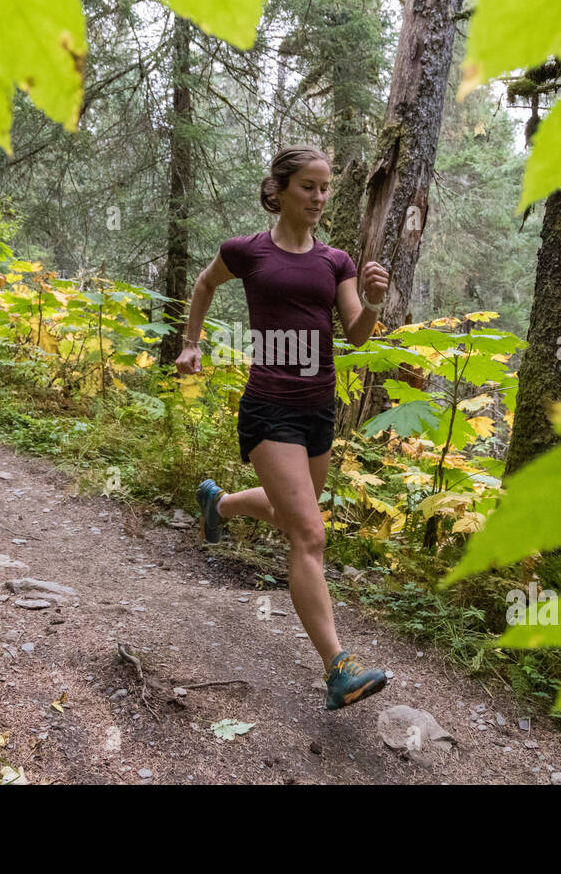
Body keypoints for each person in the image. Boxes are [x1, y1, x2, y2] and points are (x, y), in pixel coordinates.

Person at [174, 144, 391, 711]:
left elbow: (359, 334)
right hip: (269, 408)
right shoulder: (247, 252)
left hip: (319, 408)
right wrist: (191, 344)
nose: (319, 198)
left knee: (294, 516)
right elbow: (204, 285)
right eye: (309, 188)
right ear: (281, 189)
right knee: (310, 535)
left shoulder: (336, 261)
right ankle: (339, 668)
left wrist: (371, 301)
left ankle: (217, 506)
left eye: (325, 189)